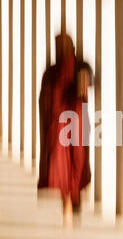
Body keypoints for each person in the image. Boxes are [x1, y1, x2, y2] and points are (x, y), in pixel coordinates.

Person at [38, 34, 93, 228]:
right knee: (61, 165)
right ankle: (66, 203)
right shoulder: (51, 72)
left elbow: (90, 84)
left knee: (78, 161)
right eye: (57, 45)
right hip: (58, 125)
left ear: (71, 46)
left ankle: (75, 196)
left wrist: (83, 85)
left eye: (64, 45)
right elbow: (43, 99)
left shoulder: (81, 66)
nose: (60, 49)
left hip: (77, 122)